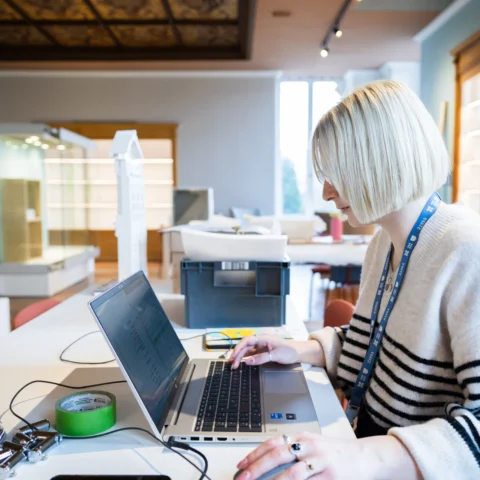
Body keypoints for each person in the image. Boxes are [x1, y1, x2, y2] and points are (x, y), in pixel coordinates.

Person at [230, 80, 480, 480]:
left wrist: (364, 459)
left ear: (383, 162)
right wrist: (297, 350)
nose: (327, 192)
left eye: (339, 174)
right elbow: (372, 342)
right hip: (370, 443)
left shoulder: (466, 249)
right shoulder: (383, 242)